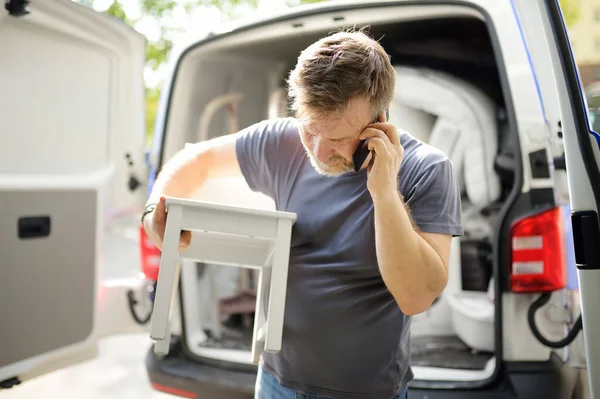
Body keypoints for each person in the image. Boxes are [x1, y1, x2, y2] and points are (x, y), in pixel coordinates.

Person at [142, 29, 463, 399]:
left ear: (380, 119)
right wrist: (154, 211)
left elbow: (416, 297)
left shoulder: (427, 169)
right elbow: (194, 159)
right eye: (312, 131)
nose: (321, 153)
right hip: (276, 383)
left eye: (340, 140)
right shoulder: (284, 143)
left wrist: (385, 193)